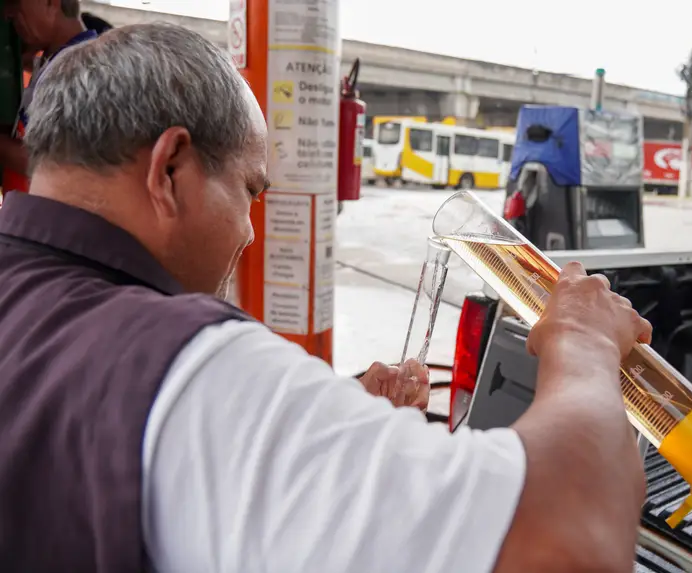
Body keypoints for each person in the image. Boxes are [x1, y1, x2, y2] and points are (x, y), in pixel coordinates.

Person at [0, 23, 651, 573]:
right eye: (251, 191)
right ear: (170, 169)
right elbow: (569, 540)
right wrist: (586, 340)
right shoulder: (179, 362)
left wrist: (329, 420)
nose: (252, 231)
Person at [0, 0, 98, 197]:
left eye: (16, 5)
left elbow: (51, 164)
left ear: (50, 3)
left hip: (46, 218)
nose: (8, 15)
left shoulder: (83, 69)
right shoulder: (53, 59)